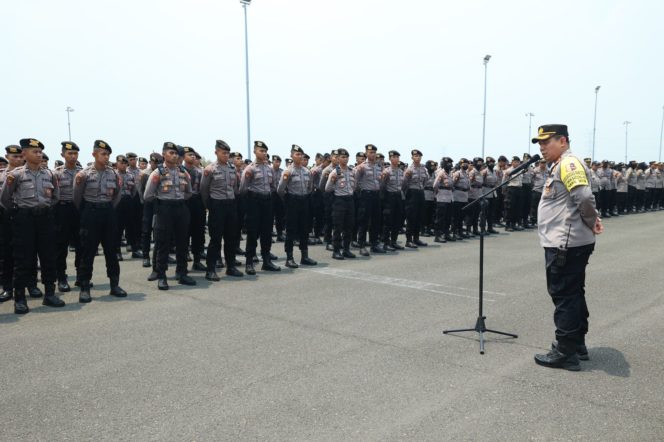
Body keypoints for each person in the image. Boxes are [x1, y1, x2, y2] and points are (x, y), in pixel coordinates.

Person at [532, 124, 603, 371]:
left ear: (562, 141)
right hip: (568, 241)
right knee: (573, 293)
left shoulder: (568, 164)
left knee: (564, 295)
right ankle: (577, 344)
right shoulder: (560, 164)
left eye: (546, 142)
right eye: (539, 143)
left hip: (565, 243)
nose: (541, 147)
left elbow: (583, 197)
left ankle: (565, 352)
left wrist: (591, 220)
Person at [0, 138, 65, 313]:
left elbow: (55, 197)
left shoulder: (49, 174)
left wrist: (44, 210)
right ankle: (20, 298)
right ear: (24, 154)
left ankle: (50, 294)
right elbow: (5, 199)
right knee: (23, 258)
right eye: (35, 152)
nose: (39, 154)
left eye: (40, 152)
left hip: (45, 219)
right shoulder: (16, 175)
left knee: (48, 256)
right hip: (24, 220)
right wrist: (20, 212)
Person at [73, 140, 128, 302]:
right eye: (103, 154)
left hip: (108, 213)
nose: (106, 157)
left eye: (108, 154)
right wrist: (87, 211)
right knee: (87, 252)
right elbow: (76, 198)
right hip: (90, 213)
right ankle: (84, 287)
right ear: (94, 154)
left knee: (111, 250)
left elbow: (117, 194)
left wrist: (108, 207)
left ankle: (114, 285)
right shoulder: (83, 174)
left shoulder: (114, 173)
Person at [143, 142, 196, 290]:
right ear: (164, 154)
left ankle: (182, 272)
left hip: (180, 208)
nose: (174, 155)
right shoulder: (157, 173)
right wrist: (162, 204)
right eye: (170, 153)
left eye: (176, 153)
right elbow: (148, 195)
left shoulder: (184, 172)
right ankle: (161, 275)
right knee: (163, 244)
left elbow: (189, 192)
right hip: (164, 210)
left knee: (182, 243)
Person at [199, 140, 243, 280]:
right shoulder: (210, 169)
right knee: (215, 239)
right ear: (216, 152)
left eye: (227, 153)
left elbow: (235, 187)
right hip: (217, 205)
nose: (226, 155)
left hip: (230, 205)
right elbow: (203, 189)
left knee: (231, 237)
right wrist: (209, 205)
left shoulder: (232, 168)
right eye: (223, 153)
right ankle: (210, 269)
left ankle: (230, 266)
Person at [239, 141, 280, 274]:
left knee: (267, 232)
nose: (264, 153)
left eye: (265, 151)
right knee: (252, 232)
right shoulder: (250, 169)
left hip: (267, 201)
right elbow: (243, 189)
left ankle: (266, 260)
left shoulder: (269, 168)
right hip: (254, 202)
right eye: (261, 151)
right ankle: (249, 262)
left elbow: (273, 186)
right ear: (255, 152)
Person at [277, 145, 318, 268]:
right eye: (297, 154)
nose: (299, 156)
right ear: (291, 155)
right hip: (292, 202)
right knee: (291, 230)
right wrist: (288, 199)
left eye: (301, 154)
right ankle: (289, 258)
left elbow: (310, 187)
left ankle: (304, 256)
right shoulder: (288, 171)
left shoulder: (307, 171)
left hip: (304, 201)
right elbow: (280, 190)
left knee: (304, 229)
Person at [53, 141, 82, 292]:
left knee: (81, 245)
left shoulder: (83, 172)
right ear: (62, 155)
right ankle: (62, 278)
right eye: (69, 153)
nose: (73, 156)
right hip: (62, 210)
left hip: (78, 211)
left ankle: (80, 276)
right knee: (61, 247)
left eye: (75, 153)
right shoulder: (56, 173)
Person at [325, 148, 356, 259]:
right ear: (338, 159)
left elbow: (354, 186)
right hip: (339, 201)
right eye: (342, 157)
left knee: (349, 226)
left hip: (350, 200)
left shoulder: (352, 171)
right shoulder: (335, 172)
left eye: (346, 157)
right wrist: (335, 184)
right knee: (338, 227)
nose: (345, 159)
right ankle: (336, 250)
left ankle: (346, 249)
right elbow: (327, 188)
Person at [182, 146, 206, 271]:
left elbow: (203, 189)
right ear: (183, 157)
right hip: (184, 203)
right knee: (184, 233)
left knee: (198, 232)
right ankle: (183, 261)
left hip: (197, 202)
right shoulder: (180, 170)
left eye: (194, 155)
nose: (192, 157)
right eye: (189, 155)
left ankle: (197, 260)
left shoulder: (199, 171)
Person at [402, 149, 429, 247]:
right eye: (415, 156)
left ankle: (416, 238)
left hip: (420, 192)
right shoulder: (409, 169)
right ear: (412, 157)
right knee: (411, 217)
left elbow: (426, 180)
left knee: (419, 216)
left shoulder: (423, 168)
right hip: (412, 193)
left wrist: (421, 188)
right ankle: (408, 240)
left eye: (419, 156)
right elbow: (404, 183)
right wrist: (408, 193)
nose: (417, 157)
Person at [380, 150, 405, 250]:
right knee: (388, 221)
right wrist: (384, 200)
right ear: (390, 159)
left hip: (398, 196)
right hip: (389, 197)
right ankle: (386, 243)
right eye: (394, 157)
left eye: (397, 157)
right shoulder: (386, 171)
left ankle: (394, 241)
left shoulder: (400, 171)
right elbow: (382, 186)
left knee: (397, 220)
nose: (396, 159)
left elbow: (404, 185)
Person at [114, 155, 137, 262]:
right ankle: (117, 251)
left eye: (124, 163)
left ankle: (134, 249)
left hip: (128, 201)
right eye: (121, 163)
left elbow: (133, 191)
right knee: (118, 228)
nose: (123, 165)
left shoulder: (130, 175)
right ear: (117, 163)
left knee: (131, 226)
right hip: (117, 203)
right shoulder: (113, 174)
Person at [432, 157, 454, 242]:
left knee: (448, 217)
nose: (450, 165)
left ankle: (446, 234)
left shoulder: (450, 173)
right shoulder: (441, 173)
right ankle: (438, 235)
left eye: (451, 163)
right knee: (440, 218)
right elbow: (435, 185)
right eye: (448, 163)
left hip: (449, 198)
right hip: (442, 198)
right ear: (444, 164)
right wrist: (439, 193)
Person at [271, 155, 285, 242]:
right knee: (270, 216)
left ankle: (280, 234)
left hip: (279, 195)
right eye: (276, 161)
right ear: (272, 162)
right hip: (271, 195)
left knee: (280, 216)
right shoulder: (269, 171)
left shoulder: (282, 172)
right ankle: (269, 235)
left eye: (279, 162)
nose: (278, 163)